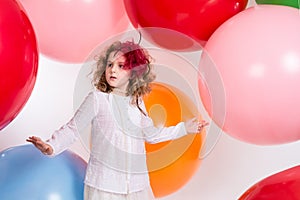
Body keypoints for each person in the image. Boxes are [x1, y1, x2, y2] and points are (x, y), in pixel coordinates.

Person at [27, 40, 208, 200]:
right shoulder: (97, 99)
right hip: (105, 188)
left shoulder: (137, 103)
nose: (113, 70)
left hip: (137, 187)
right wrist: (51, 147)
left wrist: (185, 128)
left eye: (121, 66)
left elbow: (151, 135)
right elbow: (73, 129)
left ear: (134, 72)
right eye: (110, 64)